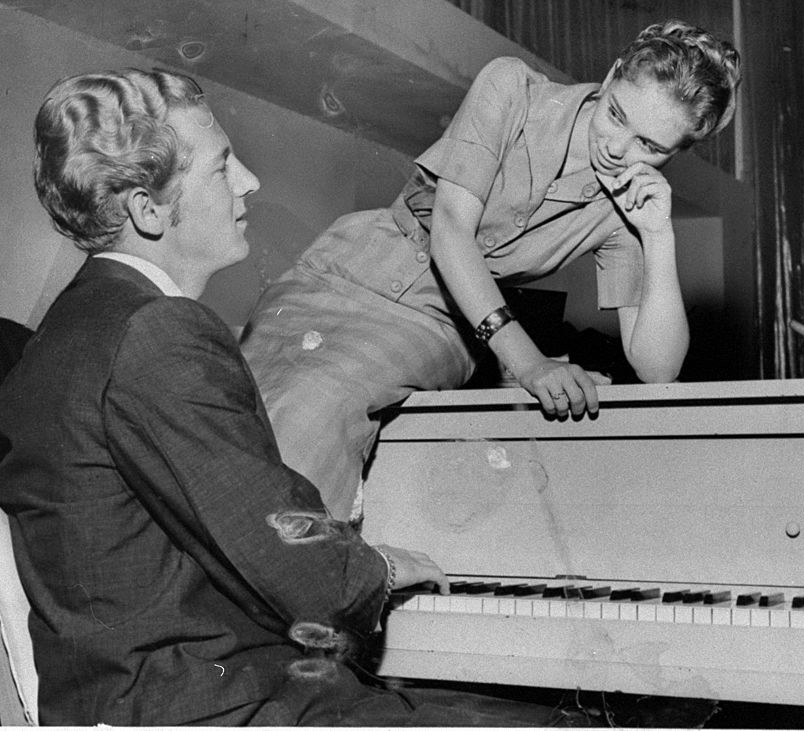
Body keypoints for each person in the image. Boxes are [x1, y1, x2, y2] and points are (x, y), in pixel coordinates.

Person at [0, 68, 563, 726]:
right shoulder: (158, 329)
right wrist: (378, 568)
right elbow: (289, 558)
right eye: (221, 166)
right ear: (148, 211)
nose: (249, 182)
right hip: (192, 702)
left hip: (123, 690)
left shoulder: (73, 325)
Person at [240, 20, 742, 521]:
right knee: (235, 410)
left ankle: (292, 575)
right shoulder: (513, 89)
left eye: (650, 146)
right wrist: (530, 363)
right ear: (611, 75)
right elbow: (452, 226)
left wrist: (658, 236)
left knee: (312, 412)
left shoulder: (626, 204)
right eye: (616, 115)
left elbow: (658, 369)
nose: (617, 148)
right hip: (345, 265)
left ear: (677, 151)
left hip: (438, 320)